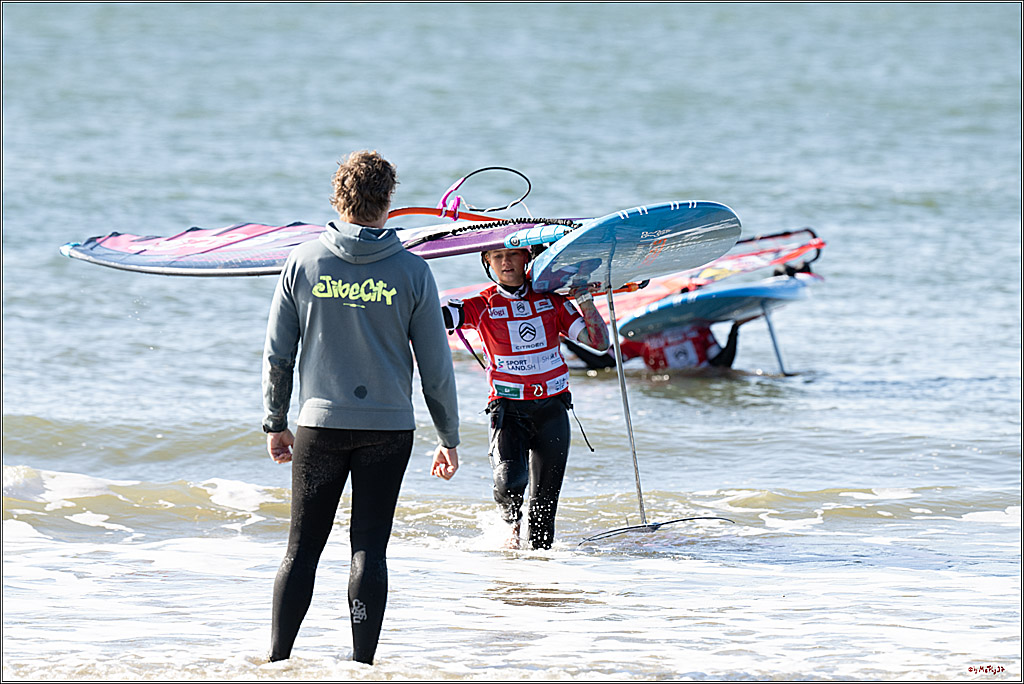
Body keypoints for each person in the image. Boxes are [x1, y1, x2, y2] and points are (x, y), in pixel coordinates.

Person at [262, 150, 460, 665]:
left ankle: (277, 663)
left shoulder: (303, 262)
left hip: (319, 425)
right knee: (369, 549)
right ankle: (362, 668)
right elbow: (436, 365)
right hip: (389, 429)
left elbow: (278, 354)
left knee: (301, 550)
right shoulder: (414, 272)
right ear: (388, 202)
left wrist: (275, 421)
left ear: (338, 197)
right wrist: (449, 436)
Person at [441, 247, 609, 550]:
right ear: (487, 262)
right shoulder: (482, 304)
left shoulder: (553, 302)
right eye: (496, 256)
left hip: (552, 409)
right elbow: (439, 317)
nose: (506, 262)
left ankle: (539, 581)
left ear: (527, 259)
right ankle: (510, 525)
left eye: (513, 254)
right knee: (510, 482)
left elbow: (599, 343)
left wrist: (584, 299)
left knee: (545, 506)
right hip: (508, 410)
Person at [563, 317, 756, 372]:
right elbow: (604, 363)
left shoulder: (698, 328)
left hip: (700, 384)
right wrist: (567, 341)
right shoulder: (640, 337)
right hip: (671, 391)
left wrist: (735, 329)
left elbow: (722, 365)